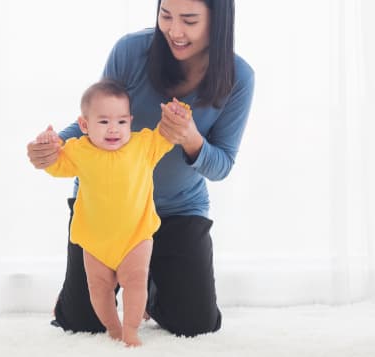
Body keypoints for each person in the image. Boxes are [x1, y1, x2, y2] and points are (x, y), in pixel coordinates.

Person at [26, 0, 254, 337]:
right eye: (166, 16)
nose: (174, 31)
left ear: (217, 22)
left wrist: (191, 139)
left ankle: (150, 281)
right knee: (81, 322)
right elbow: (96, 119)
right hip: (103, 211)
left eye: (189, 20)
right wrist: (53, 146)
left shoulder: (238, 77)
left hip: (177, 209)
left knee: (195, 324)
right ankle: (92, 290)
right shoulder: (131, 51)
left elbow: (222, 165)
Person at [37, 79, 179, 346]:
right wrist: (48, 144)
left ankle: (131, 329)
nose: (113, 129)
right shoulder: (79, 150)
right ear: (85, 125)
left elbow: (167, 135)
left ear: (130, 122)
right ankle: (113, 327)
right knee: (98, 289)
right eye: (103, 122)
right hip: (95, 239)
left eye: (122, 122)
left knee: (135, 282)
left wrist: (178, 112)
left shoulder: (143, 145)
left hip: (135, 235)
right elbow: (55, 165)